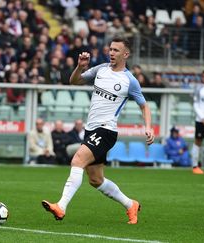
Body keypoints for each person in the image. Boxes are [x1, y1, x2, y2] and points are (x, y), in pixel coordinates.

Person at [42, 37, 154, 225]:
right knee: (95, 180)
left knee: (77, 160)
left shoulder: (129, 81)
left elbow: (144, 106)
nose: (111, 53)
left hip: (106, 131)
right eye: (110, 49)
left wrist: (148, 127)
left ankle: (61, 206)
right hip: (91, 129)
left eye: (116, 50)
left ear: (125, 54)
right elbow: (74, 82)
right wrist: (80, 66)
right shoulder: (101, 69)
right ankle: (130, 204)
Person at [190, 70, 204, 174]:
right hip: (201, 121)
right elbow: (195, 105)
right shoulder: (199, 89)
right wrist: (203, 118)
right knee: (198, 142)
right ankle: (195, 166)